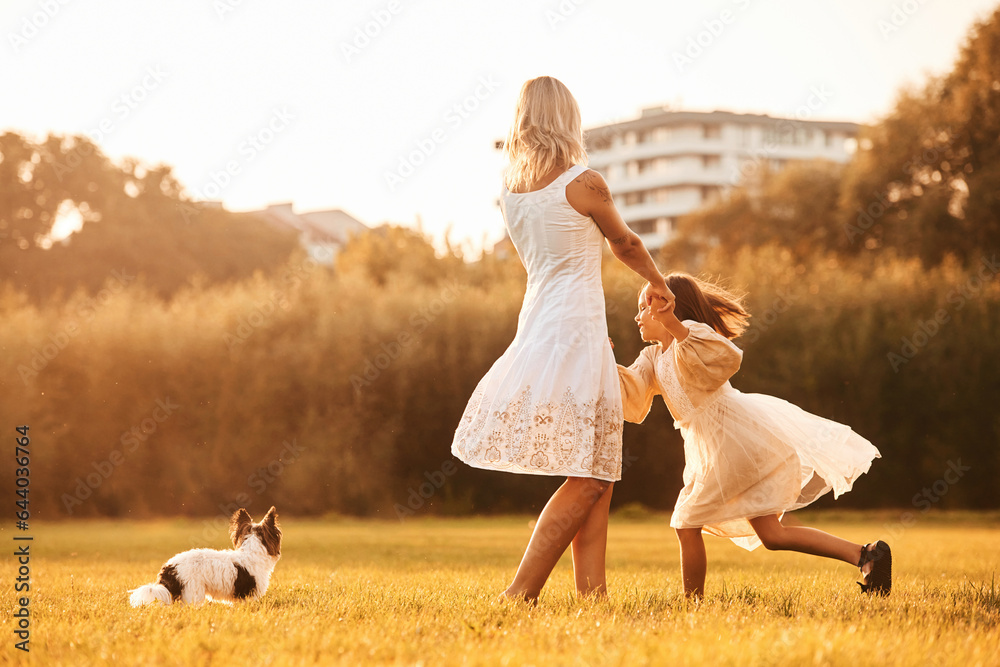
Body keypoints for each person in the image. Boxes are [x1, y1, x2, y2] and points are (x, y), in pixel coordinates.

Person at [451, 76, 674, 602]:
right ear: (567, 119)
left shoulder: (511, 192)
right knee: (591, 475)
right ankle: (520, 592)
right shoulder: (584, 182)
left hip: (543, 325)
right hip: (572, 328)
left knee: (597, 471)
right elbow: (625, 243)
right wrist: (660, 285)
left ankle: (592, 601)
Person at [617, 272, 891, 598]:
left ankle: (692, 605)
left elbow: (726, 356)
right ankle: (866, 555)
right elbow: (631, 391)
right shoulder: (652, 358)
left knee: (685, 523)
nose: (638, 317)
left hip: (735, 442)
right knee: (772, 536)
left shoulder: (693, 339)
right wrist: (599, 361)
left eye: (644, 308)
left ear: (669, 309)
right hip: (718, 449)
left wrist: (674, 323)